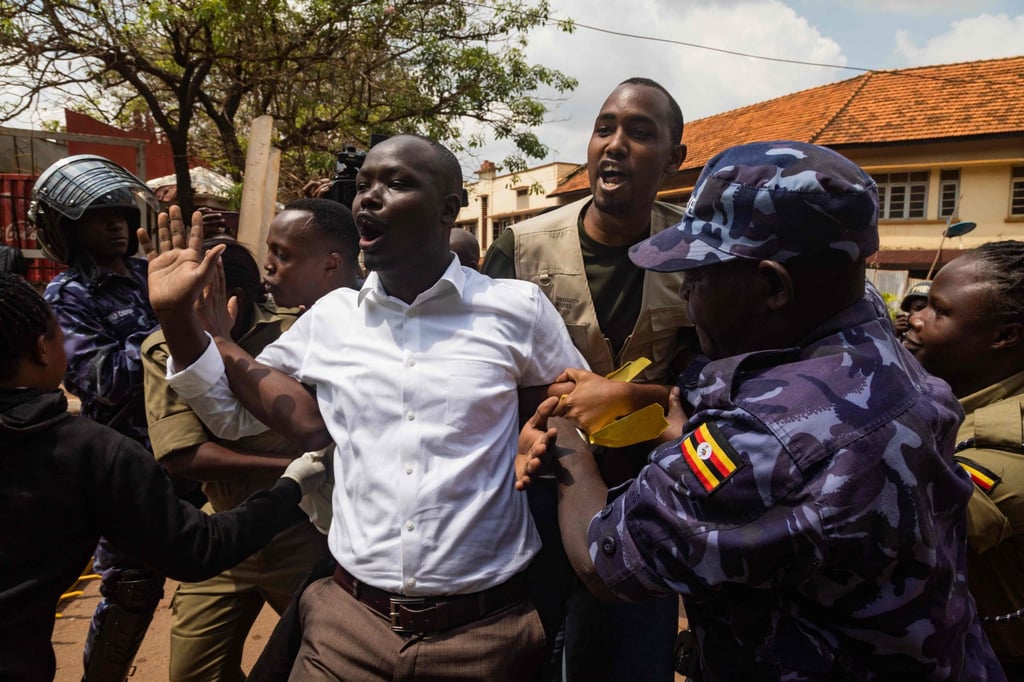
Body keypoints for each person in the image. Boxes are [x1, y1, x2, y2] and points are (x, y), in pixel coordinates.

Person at [517, 140, 1005, 680]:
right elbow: (745, 388)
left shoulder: (770, 441)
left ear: (773, 285)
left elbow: (606, 561)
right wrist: (649, 401)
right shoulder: (874, 339)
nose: (688, 300)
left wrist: (566, 438)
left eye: (697, 279)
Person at [144, 134, 586, 680]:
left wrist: (536, 434)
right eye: (366, 184)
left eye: (396, 183)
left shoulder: (516, 308)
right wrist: (179, 324)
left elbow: (576, 410)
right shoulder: (331, 318)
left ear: (450, 208)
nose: (367, 198)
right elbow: (234, 416)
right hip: (347, 625)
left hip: (487, 635)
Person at [0, 271, 326, 682]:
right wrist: (291, 483)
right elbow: (195, 544)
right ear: (43, 350)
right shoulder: (89, 452)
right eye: (60, 334)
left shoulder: (302, 334)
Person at [482, 76, 693, 680]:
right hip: (533, 491)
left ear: (674, 159)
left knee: (629, 659)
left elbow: (715, 381)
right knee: (521, 654)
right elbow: (479, 372)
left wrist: (634, 395)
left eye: (640, 132)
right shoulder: (520, 247)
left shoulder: (694, 251)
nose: (616, 143)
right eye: (605, 128)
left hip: (646, 500)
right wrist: (524, 431)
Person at [143, 200, 360, 682]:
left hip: (304, 531)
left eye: (281, 254)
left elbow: (306, 425)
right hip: (229, 528)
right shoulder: (300, 332)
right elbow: (219, 427)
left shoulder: (299, 328)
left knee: (322, 658)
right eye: (269, 253)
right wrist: (185, 323)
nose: (270, 267)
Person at [29, 154, 179, 681]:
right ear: (68, 229)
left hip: (191, 448)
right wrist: (169, 326)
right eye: (100, 217)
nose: (117, 224)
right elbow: (101, 381)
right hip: (127, 456)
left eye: (120, 213)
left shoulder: (150, 274)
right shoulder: (66, 295)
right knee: (132, 587)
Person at [903, 241, 1024, 679]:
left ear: (1003, 336)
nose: (914, 318)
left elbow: (916, 523)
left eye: (939, 310)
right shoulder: (950, 392)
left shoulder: (1009, 440)